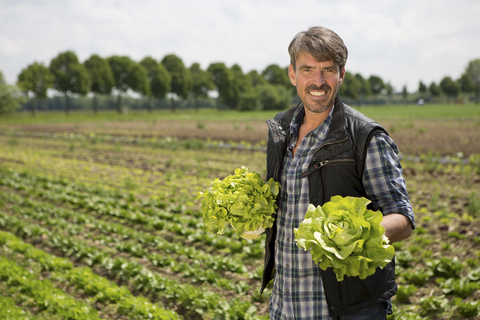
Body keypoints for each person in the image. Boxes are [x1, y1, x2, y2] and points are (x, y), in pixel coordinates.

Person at [261, 26, 415, 319]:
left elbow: (402, 219)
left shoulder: (365, 137)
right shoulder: (280, 131)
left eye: (328, 70)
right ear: (292, 74)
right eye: (307, 69)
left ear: (341, 74)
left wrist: (353, 236)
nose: (318, 81)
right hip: (285, 304)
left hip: (346, 309)